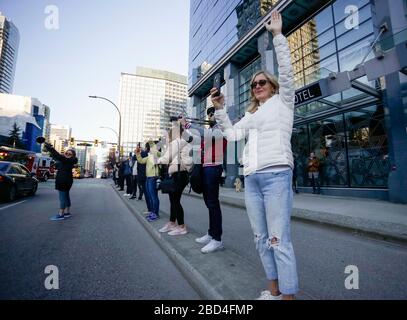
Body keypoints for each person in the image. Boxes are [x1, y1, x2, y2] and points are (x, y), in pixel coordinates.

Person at [211, 11, 298, 300]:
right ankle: (273, 292)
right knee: (261, 240)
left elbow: (287, 72)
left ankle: (288, 297)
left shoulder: (284, 102)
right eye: (253, 84)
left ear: (272, 86)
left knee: (278, 240)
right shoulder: (253, 113)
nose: (257, 86)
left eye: (262, 82)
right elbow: (233, 135)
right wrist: (221, 109)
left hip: (276, 176)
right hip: (252, 181)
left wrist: (277, 36)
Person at [181, 107, 227, 254]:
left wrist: (188, 125)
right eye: (209, 114)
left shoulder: (221, 127)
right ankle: (211, 233)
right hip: (205, 168)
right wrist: (182, 129)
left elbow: (206, 134)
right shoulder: (210, 131)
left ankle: (217, 239)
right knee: (209, 203)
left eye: (212, 114)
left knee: (213, 204)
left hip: (213, 168)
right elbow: (193, 139)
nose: (210, 116)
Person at [157, 121, 193, 235]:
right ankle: (172, 223)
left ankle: (182, 226)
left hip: (180, 173)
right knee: (173, 200)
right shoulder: (178, 142)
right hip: (177, 173)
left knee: (175, 200)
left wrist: (157, 160)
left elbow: (167, 158)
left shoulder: (179, 142)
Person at [43, 142, 78, 221]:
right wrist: (50, 148)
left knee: (62, 197)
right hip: (67, 180)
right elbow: (57, 157)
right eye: (66, 153)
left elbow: (57, 155)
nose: (67, 154)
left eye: (70, 154)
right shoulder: (67, 161)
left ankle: (61, 214)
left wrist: (50, 148)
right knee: (66, 196)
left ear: (72, 156)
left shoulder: (68, 160)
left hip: (63, 181)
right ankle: (67, 212)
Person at [136, 141, 161, 222]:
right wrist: (138, 153)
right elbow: (141, 161)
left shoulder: (157, 154)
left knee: (154, 197)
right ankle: (152, 212)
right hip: (148, 177)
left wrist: (154, 148)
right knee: (150, 196)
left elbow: (159, 156)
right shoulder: (149, 156)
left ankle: (155, 214)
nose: (149, 148)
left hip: (153, 177)